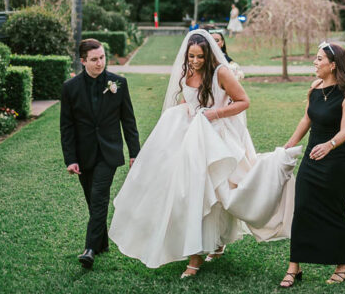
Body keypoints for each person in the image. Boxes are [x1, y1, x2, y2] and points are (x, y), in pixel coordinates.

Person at [109, 31, 254, 277]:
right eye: (191, 56)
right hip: (186, 134)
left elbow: (243, 101)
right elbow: (188, 99)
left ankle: (201, 253)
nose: (195, 61)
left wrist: (213, 113)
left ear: (208, 55)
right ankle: (195, 245)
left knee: (210, 191)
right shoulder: (187, 72)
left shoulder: (222, 73)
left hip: (214, 136)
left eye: (199, 57)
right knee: (184, 191)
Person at [279, 42, 345, 287]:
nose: (315, 63)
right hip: (311, 158)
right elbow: (307, 118)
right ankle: (294, 267)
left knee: (335, 211)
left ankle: (343, 264)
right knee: (303, 208)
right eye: (315, 59)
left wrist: (329, 145)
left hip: (336, 161)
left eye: (319, 59)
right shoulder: (315, 87)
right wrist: (291, 143)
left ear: (333, 65)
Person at [60, 39, 141, 269]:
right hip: (84, 155)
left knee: (99, 197)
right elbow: (66, 127)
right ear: (83, 61)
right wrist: (71, 159)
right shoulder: (70, 88)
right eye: (94, 59)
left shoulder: (118, 83)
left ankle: (89, 249)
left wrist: (135, 152)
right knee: (92, 200)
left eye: (102, 57)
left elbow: (129, 121)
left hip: (109, 152)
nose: (100, 63)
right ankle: (102, 242)